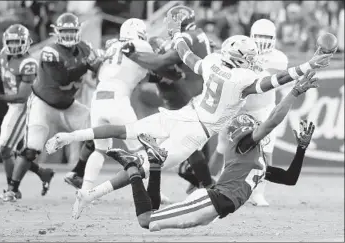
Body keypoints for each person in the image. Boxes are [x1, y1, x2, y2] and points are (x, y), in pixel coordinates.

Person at [44, 8, 331, 219]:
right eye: (249, 57)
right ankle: (91, 194)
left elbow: (187, 56)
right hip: (194, 132)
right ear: (240, 58)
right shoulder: (241, 80)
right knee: (142, 165)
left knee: (127, 133)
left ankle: (70, 137)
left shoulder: (212, 62)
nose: (253, 61)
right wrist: (308, 66)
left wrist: (179, 35)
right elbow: (275, 80)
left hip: (182, 114)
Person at [106, 82, 316, 231]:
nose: (259, 128)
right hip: (211, 202)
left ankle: (154, 163)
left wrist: (302, 148)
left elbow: (290, 179)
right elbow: (272, 121)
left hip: (213, 208)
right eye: (254, 126)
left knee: (153, 219)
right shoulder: (244, 145)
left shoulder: (255, 161)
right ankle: (133, 169)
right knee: (147, 220)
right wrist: (294, 92)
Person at [1, 13, 106, 202]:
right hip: (43, 105)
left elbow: (98, 68)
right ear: (57, 32)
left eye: (71, 31)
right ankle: (12, 189)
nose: (67, 35)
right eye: (64, 31)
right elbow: (62, 77)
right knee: (31, 149)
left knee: (96, 132)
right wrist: (87, 64)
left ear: (78, 32)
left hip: (68, 105)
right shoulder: (50, 51)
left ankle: (77, 173)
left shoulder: (84, 49)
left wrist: (101, 64)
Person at [124, 6, 215, 194]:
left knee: (182, 146)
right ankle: (202, 182)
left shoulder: (188, 37)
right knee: (191, 144)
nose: (168, 25)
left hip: (193, 97)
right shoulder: (194, 35)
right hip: (193, 96)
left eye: (171, 22)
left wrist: (134, 55)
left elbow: (162, 63)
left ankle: (207, 184)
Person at [208, 19, 288, 206]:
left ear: (274, 39)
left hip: (262, 109)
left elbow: (269, 67)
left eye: (266, 37)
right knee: (222, 148)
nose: (262, 41)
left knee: (266, 150)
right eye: (258, 36)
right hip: (236, 106)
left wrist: (248, 57)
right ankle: (208, 182)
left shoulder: (279, 58)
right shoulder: (241, 47)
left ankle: (258, 192)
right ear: (250, 36)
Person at [79, 18, 153, 193]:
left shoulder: (112, 46)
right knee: (141, 150)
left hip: (99, 97)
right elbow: (154, 67)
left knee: (99, 150)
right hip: (118, 98)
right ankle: (153, 190)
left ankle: (85, 189)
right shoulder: (141, 46)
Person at [0, 24, 54, 200]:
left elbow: (22, 97)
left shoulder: (28, 63)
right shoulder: (4, 55)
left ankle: (12, 189)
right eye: (11, 42)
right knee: (10, 149)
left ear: (26, 42)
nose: (14, 46)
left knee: (6, 148)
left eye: (18, 42)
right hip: (13, 106)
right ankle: (41, 173)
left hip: (25, 107)